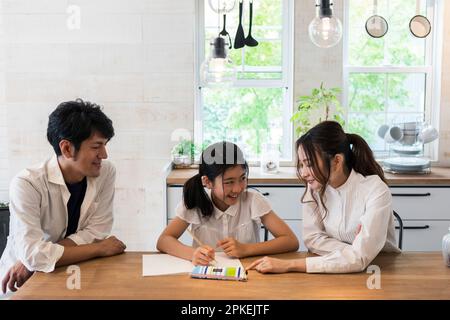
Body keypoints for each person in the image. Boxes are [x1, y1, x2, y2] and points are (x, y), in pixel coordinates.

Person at [0, 99, 126, 295]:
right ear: (67, 148)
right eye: (96, 146)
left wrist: (36, 259)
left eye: (105, 145)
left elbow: (97, 230)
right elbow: (34, 254)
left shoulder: (105, 172)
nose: (104, 154)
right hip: (20, 283)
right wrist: (100, 249)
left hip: (72, 272)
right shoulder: (27, 184)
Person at [248, 121, 400, 274]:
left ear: (337, 161)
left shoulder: (375, 189)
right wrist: (353, 252)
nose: (304, 173)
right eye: (302, 165)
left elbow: (360, 259)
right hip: (340, 267)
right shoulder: (316, 187)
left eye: (309, 164)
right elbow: (312, 238)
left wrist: (289, 265)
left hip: (379, 269)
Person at [157, 141, 299, 265]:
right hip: (206, 275)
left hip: (248, 274)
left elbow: (291, 241)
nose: (237, 188)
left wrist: (246, 249)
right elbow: (163, 240)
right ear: (207, 182)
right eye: (229, 182)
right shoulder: (195, 202)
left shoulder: (253, 200)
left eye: (242, 178)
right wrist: (192, 254)